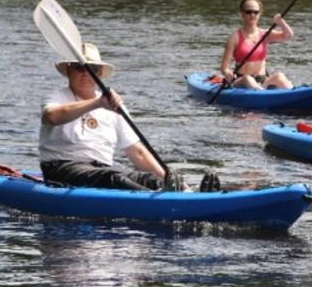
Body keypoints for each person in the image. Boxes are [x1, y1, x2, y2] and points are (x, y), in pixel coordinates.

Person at [39, 43, 220, 192]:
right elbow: (51, 117)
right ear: (69, 70)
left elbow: (138, 153)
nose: (86, 73)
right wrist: (97, 103)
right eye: (80, 68)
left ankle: (181, 193)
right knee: (114, 178)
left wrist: (174, 181)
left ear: (99, 73)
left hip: (100, 168)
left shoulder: (113, 104)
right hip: (61, 167)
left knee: (146, 178)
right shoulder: (57, 97)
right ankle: (158, 199)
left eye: (92, 69)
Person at [219, 0, 294, 89]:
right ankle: (262, 95)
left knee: (279, 76)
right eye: (248, 12)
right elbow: (224, 67)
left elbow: (288, 36)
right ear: (241, 14)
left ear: (259, 14)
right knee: (247, 79)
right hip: (242, 80)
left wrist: (281, 23)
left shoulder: (265, 34)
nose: (252, 15)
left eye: (256, 12)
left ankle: (294, 94)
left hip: (262, 80)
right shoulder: (234, 38)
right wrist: (228, 74)